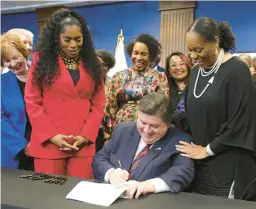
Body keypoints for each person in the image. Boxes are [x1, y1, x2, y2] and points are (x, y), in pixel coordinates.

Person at [176, 17, 256, 200]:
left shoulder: (238, 70)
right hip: (196, 163)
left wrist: (208, 149)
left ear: (216, 42)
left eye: (199, 49)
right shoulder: (196, 72)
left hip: (227, 165)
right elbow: (191, 115)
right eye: (190, 50)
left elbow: (241, 121)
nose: (193, 56)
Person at [25, 8, 105, 178]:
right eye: (67, 40)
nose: (73, 45)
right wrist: (51, 136)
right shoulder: (41, 61)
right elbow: (32, 101)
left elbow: (99, 104)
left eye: (78, 39)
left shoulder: (94, 64)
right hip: (49, 144)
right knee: (49, 199)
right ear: (57, 38)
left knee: (80, 198)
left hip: (82, 145)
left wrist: (85, 136)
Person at [92, 92, 195, 199]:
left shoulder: (180, 140)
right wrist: (111, 174)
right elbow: (100, 158)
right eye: (143, 122)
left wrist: (147, 186)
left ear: (168, 124)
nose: (146, 131)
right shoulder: (123, 130)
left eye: (154, 126)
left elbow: (183, 171)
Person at [104, 34, 169, 140]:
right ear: (131, 54)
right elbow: (109, 108)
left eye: (143, 54)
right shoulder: (118, 76)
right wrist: (107, 135)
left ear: (150, 56)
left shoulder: (160, 78)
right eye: (136, 53)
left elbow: (163, 109)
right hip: (121, 131)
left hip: (149, 132)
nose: (138, 58)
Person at [1, 33, 33, 170]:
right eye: (7, 61)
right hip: (14, 150)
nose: (13, 64)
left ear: (24, 53)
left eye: (15, 57)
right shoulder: (2, 83)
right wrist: (23, 145)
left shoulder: (42, 76)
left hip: (46, 145)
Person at [95, 49, 116, 151]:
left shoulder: (113, 83)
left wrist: (108, 134)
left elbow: (112, 111)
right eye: (97, 65)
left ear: (108, 67)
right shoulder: (86, 83)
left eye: (104, 65)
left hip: (109, 129)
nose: (101, 68)